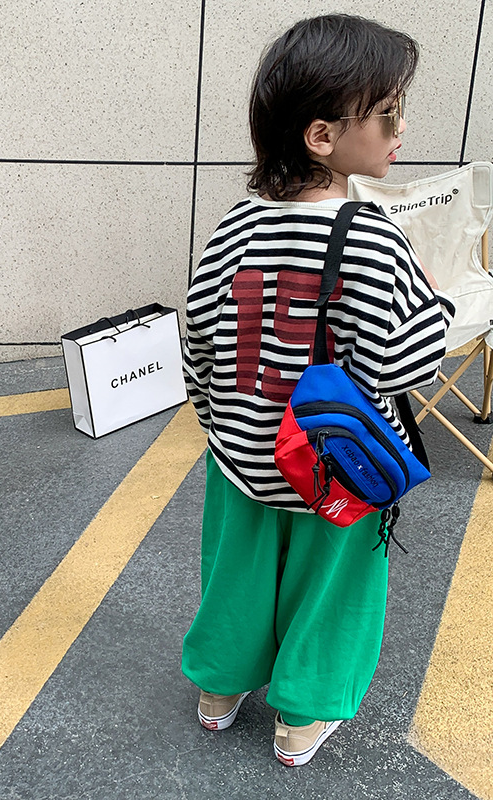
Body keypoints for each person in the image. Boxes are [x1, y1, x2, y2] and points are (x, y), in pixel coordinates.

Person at [181, 14, 455, 767]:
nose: (401, 128)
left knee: (235, 578)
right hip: (336, 465)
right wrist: (436, 304)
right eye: (388, 113)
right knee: (333, 586)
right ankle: (301, 719)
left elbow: (198, 343)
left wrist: (222, 425)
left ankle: (218, 692)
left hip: (242, 454)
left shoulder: (235, 225)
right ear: (323, 136)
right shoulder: (372, 234)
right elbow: (401, 365)